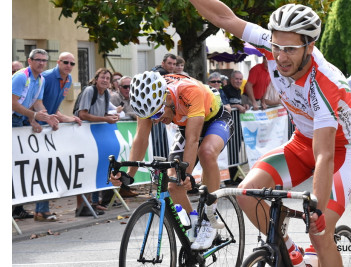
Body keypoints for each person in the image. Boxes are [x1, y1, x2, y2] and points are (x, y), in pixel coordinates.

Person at [158, 0, 351, 265]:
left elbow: (325, 155)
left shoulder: (326, 84)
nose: (280, 57)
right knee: (246, 194)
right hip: (302, 142)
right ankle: (291, 252)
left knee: (320, 232)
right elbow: (222, 16)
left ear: (310, 45)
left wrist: (315, 207)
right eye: (277, 47)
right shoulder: (272, 44)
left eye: (290, 50)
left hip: (338, 150)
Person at [110, 71, 234, 250]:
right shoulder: (147, 99)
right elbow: (141, 138)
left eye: (158, 113)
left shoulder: (190, 92)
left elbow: (192, 140)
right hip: (186, 125)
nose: (157, 120)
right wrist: (129, 175)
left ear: (166, 97)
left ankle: (209, 219)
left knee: (206, 153)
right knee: (173, 184)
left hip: (214, 119)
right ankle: (193, 224)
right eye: (152, 116)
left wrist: (188, 174)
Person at [33, 52, 83, 221]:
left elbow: (55, 108)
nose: (69, 65)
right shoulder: (45, 77)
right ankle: (37, 210)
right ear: (58, 62)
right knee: (38, 169)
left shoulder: (68, 80)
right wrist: (46, 119)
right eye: (65, 62)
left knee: (47, 168)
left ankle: (42, 209)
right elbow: (34, 102)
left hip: (49, 128)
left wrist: (70, 118)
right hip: (35, 127)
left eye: (72, 63)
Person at [12, 49, 60, 220]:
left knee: (25, 164)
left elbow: (37, 103)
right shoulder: (21, 77)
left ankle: (21, 208)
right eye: (37, 60)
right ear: (29, 61)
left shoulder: (41, 79)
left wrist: (46, 118)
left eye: (44, 60)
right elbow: (11, 103)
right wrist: (33, 116)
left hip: (20, 119)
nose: (41, 63)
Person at [75, 68, 120, 216]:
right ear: (96, 79)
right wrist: (105, 119)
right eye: (102, 77)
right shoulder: (89, 91)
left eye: (108, 78)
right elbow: (83, 114)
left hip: (95, 135)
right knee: (85, 169)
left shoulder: (106, 93)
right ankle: (81, 207)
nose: (105, 80)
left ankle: (92, 203)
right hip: (82, 134)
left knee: (95, 168)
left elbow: (102, 113)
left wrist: (110, 117)